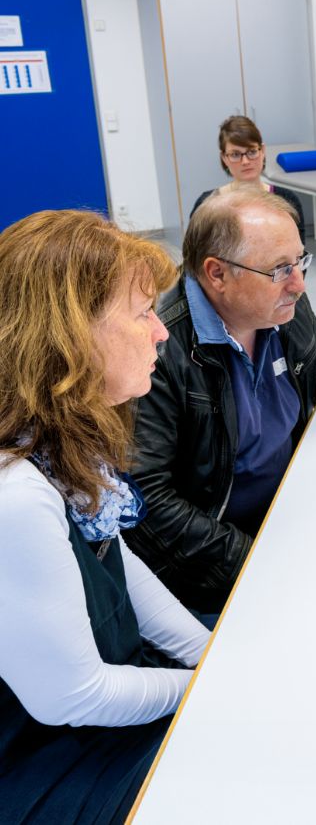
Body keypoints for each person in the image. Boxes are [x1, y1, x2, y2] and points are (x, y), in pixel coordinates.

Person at [124, 188, 316, 612]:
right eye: (280, 269)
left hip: (293, 505)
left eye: (301, 261)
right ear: (216, 274)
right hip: (218, 557)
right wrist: (259, 560)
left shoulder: (278, 305)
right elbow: (148, 502)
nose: (300, 283)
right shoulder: (159, 350)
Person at [0, 210, 210, 824]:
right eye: (143, 313)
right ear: (70, 334)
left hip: (93, 706)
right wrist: (209, 685)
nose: (162, 333)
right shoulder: (15, 492)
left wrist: (207, 652)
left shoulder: (56, 430)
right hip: (44, 760)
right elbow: (72, 694)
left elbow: (114, 556)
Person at [190, 114, 306, 242]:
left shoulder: (287, 199)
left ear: (262, 151)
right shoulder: (207, 204)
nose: (245, 161)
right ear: (224, 158)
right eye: (235, 154)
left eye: (252, 152)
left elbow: (299, 253)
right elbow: (194, 256)